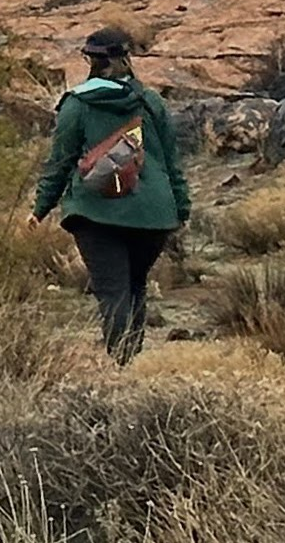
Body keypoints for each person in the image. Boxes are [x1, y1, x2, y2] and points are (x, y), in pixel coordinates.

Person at [30, 25, 188, 364]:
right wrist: (182, 208)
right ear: (126, 58)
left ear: (90, 60)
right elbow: (173, 161)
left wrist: (40, 208)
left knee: (112, 290)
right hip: (154, 213)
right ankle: (131, 360)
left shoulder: (77, 104)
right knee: (134, 286)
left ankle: (119, 365)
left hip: (96, 212)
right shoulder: (151, 101)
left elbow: (60, 162)